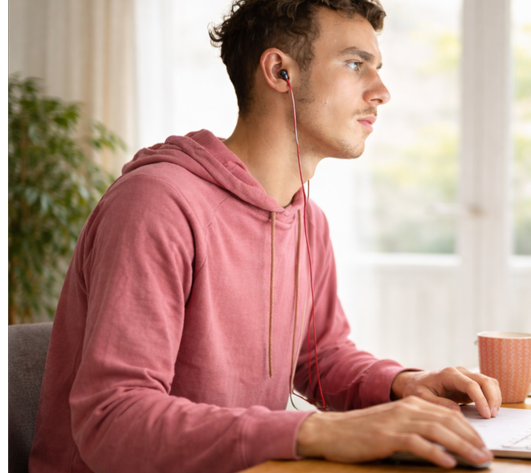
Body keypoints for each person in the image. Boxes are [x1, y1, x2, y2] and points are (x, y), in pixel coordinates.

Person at [28, 1, 502, 472]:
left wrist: (405, 384)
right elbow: (112, 420)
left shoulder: (306, 220)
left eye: (377, 68)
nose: (381, 92)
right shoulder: (157, 204)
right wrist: (319, 431)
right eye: (356, 64)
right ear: (280, 72)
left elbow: (320, 356)